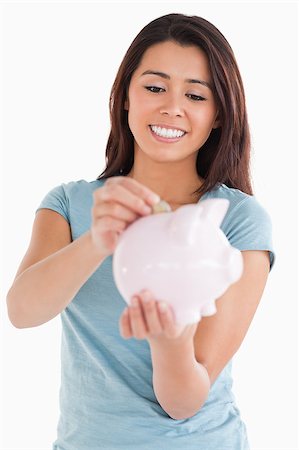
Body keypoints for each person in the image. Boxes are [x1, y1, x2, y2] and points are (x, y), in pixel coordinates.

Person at [6, 13, 275, 450]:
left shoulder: (238, 220)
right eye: (154, 87)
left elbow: (184, 402)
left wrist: (170, 345)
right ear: (125, 97)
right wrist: (98, 240)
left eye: (195, 94)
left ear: (219, 115)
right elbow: (22, 312)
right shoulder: (70, 204)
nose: (172, 107)